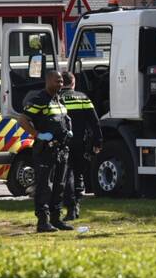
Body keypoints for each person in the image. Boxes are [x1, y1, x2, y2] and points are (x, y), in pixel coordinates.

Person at [17, 70, 73, 233]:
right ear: (48, 81)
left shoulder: (58, 99)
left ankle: (56, 219)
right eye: (57, 81)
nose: (60, 84)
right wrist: (38, 135)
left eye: (62, 81)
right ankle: (43, 222)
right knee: (44, 187)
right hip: (45, 151)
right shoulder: (39, 100)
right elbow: (22, 120)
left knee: (59, 186)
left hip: (61, 150)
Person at [58, 71, 102, 221]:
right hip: (81, 143)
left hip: (62, 143)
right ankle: (76, 203)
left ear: (61, 82)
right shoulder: (83, 98)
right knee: (78, 174)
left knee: (66, 174)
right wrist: (98, 141)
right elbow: (95, 122)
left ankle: (71, 208)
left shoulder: (57, 98)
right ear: (73, 82)